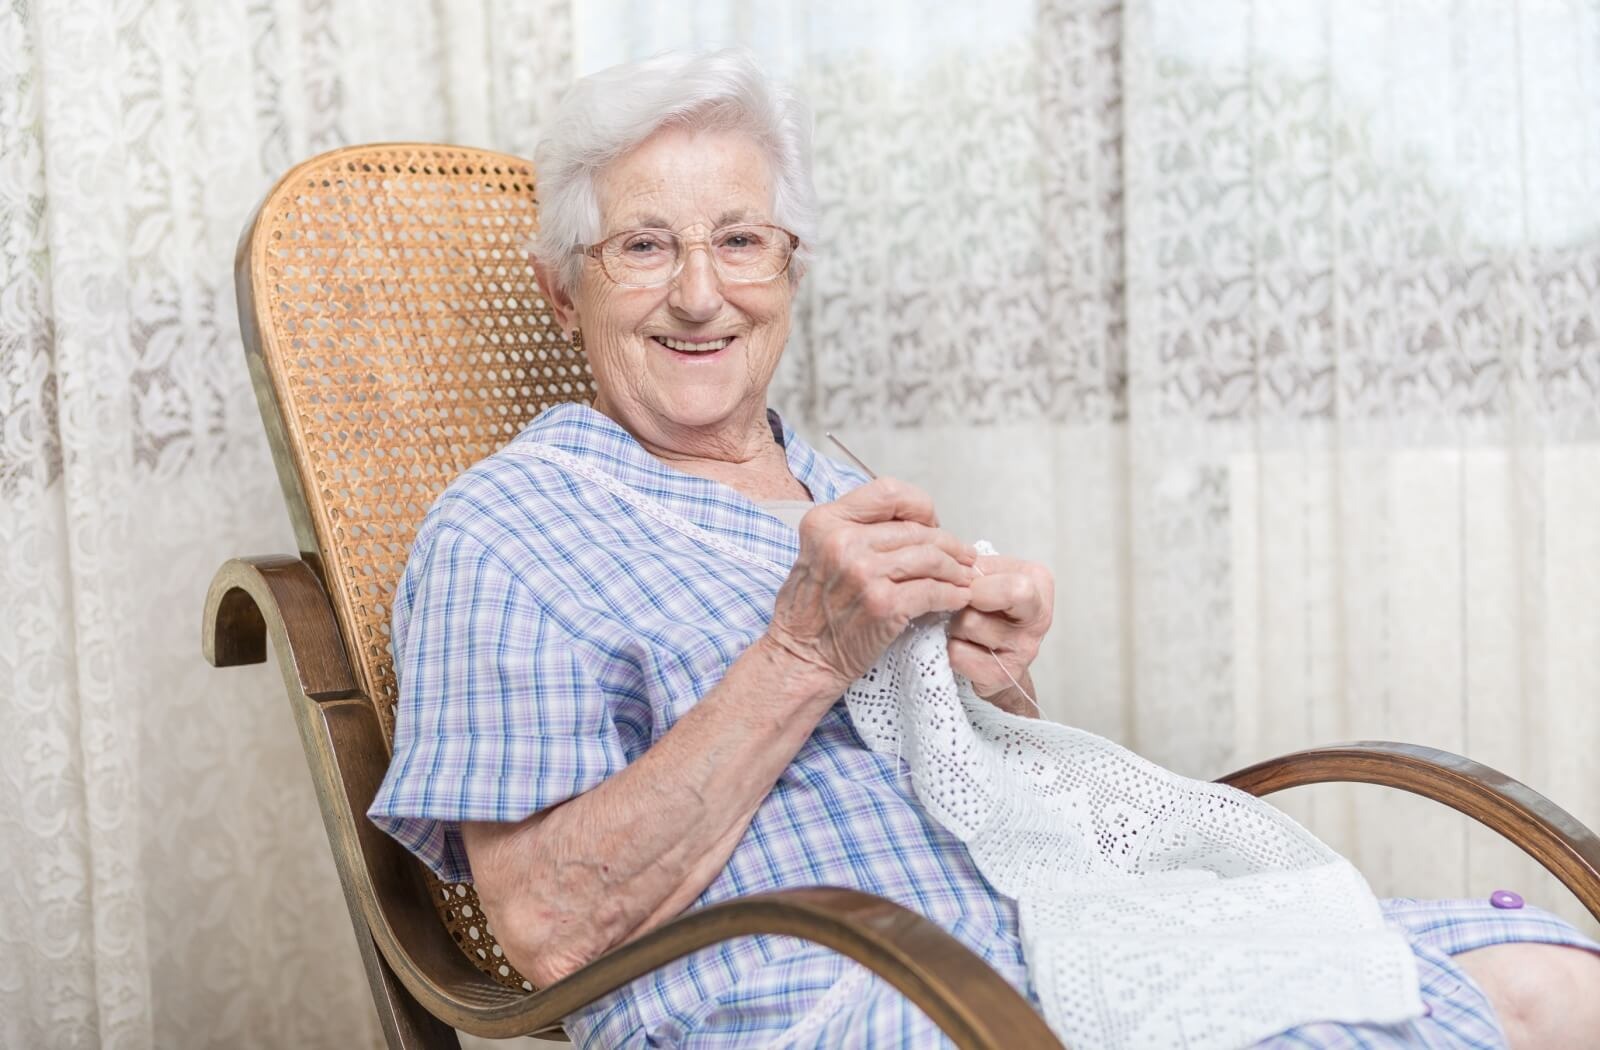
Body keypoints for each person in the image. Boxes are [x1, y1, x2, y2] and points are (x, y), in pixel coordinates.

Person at [368, 49, 1600, 1049]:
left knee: (1560, 981)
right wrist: (799, 655)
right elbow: (543, 929)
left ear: (787, 269)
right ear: (558, 290)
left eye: (740, 241)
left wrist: (993, 682)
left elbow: (962, 772)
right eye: (643, 247)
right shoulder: (505, 533)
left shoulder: (834, 479)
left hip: (1056, 927)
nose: (701, 294)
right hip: (846, 997)